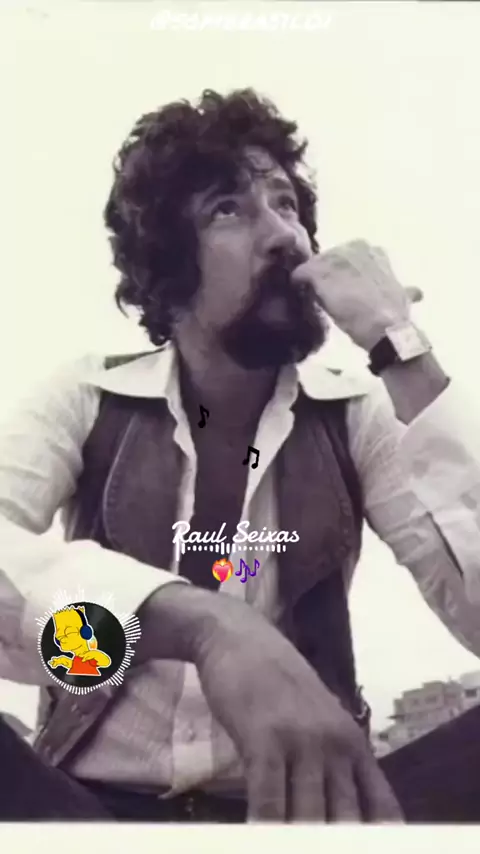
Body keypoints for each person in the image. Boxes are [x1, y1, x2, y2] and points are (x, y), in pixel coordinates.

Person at [0, 88, 479, 824]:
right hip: (88, 814)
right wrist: (200, 622)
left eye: (286, 204)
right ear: (168, 263)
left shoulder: (355, 414)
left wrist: (399, 347)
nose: (285, 236)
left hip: (312, 818)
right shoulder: (87, 397)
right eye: (229, 209)